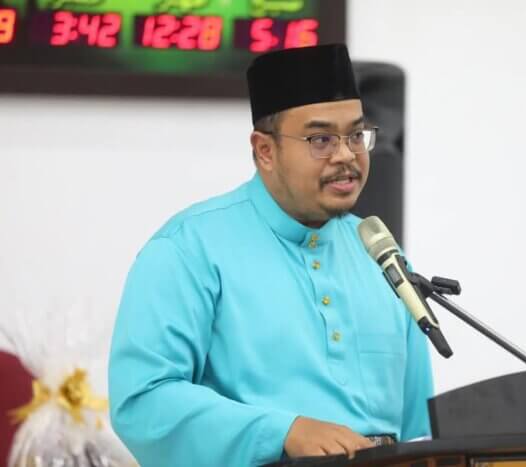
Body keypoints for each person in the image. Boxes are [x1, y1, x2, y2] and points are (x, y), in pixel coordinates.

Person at [108, 44, 434, 467]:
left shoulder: (380, 255)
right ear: (265, 150)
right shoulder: (189, 249)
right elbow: (142, 401)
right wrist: (283, 432)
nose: (346, 155)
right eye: (320, 139)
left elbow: (421, 430)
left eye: (356, 135)